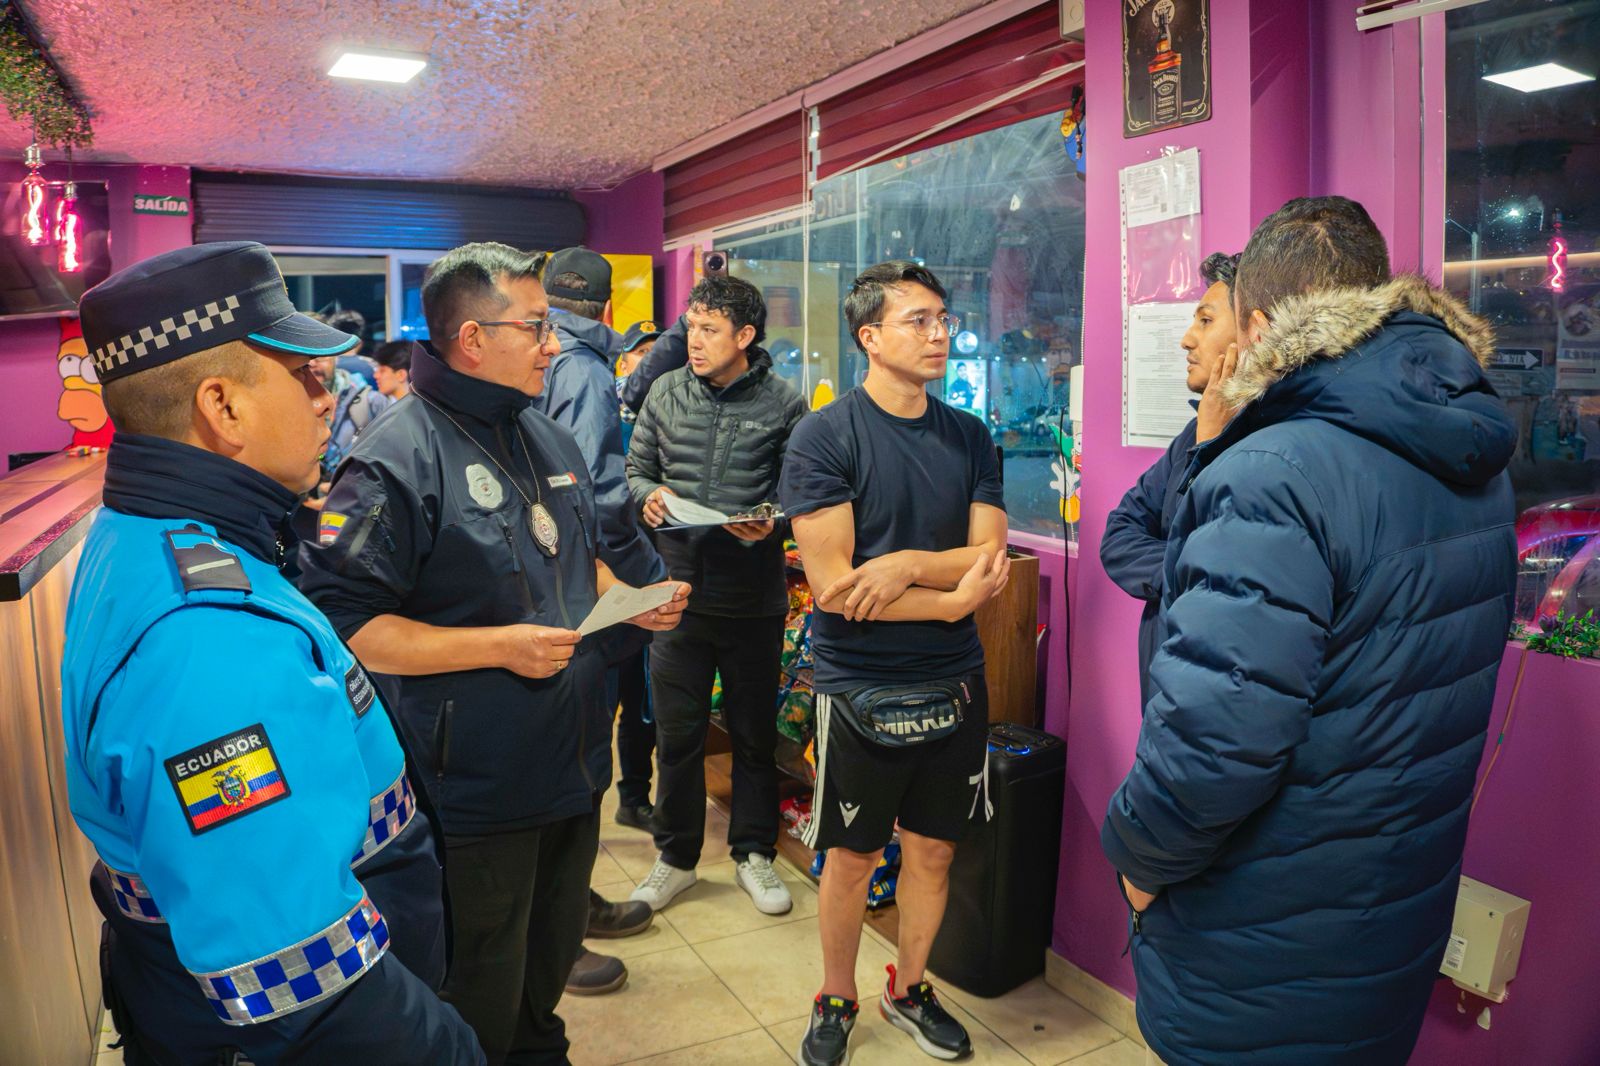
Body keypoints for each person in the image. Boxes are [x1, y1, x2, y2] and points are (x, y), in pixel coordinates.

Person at [1101, 196, 1517, 1066]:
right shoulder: (1470, 462)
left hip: (1266, 943)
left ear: (1258, 327)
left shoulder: (1270, 470)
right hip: (1389, 913)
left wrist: (1140, 864)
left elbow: (1213, 747)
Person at [60, 241, 483, 1065]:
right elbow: (299, 984)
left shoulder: (159, 534)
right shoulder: (206, 640)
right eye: (307, 376)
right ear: (223, 407)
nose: (329, 400)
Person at [298, 242, 690, 1066]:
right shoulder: (394, 459)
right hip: (471, 786)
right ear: (473, 338)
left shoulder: (546, 434)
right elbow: (349, 626)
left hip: (573, 767)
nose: (556, 345)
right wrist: (498, 648)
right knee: (478, 990)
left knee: (544, 975)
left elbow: (576, 558)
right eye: (538, 327)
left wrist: (636, 598)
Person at [779, 261, 1011, 1066]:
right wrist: (947, 598)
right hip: (858, 684)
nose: (939, 330)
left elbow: (989, 557)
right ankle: (836, 994)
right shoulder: (824, 436)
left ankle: (908, 986)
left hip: (955, 675)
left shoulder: (970, 436)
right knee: (850, 857)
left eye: (943, 317)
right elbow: (837, 589)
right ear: (868, 337)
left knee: (935, 849)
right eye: (918, 319)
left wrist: (909, 562)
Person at [625, 275, 808, 917]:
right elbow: (635, 471)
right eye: (691, 327)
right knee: (676, 736)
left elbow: (800, 494)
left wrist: (773, 520)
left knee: (755, 736)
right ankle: (674, 858)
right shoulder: (665, 391)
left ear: (745, 337)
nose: (694, 341)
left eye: (708, 330)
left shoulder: (786, 404)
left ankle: (753, 853)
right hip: (673, 592)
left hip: (752, 598)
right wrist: (647, 496)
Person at [534, 246, 667, 994]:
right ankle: (562, 934)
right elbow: (595, 499)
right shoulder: (582, 371)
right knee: (579, 770)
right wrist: (648, 586)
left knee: (571, 768)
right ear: (608, 309)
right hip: (582, 602)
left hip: (547, 593)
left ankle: (570, 911)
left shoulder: (549, 361)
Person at [1100, 251, 1239, 710]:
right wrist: (1183, 571)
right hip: (1164, 687)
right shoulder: (1191, 436)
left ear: (1253, 331)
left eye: (1205, 321)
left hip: (1213, 703)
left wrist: (1213, 446)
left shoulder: (1276, 444)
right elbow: (1118, 534)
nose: (1186, 340)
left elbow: (1232, 572)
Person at [612, 318, 664, 825]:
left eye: (655, 352)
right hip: (615, 578)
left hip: (661, 574)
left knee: (647, 698)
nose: (647, 361)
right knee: (617, 692)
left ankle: (635, 798)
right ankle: (617, 800)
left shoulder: (670, 414)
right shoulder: (607, 416)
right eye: (637, 353)